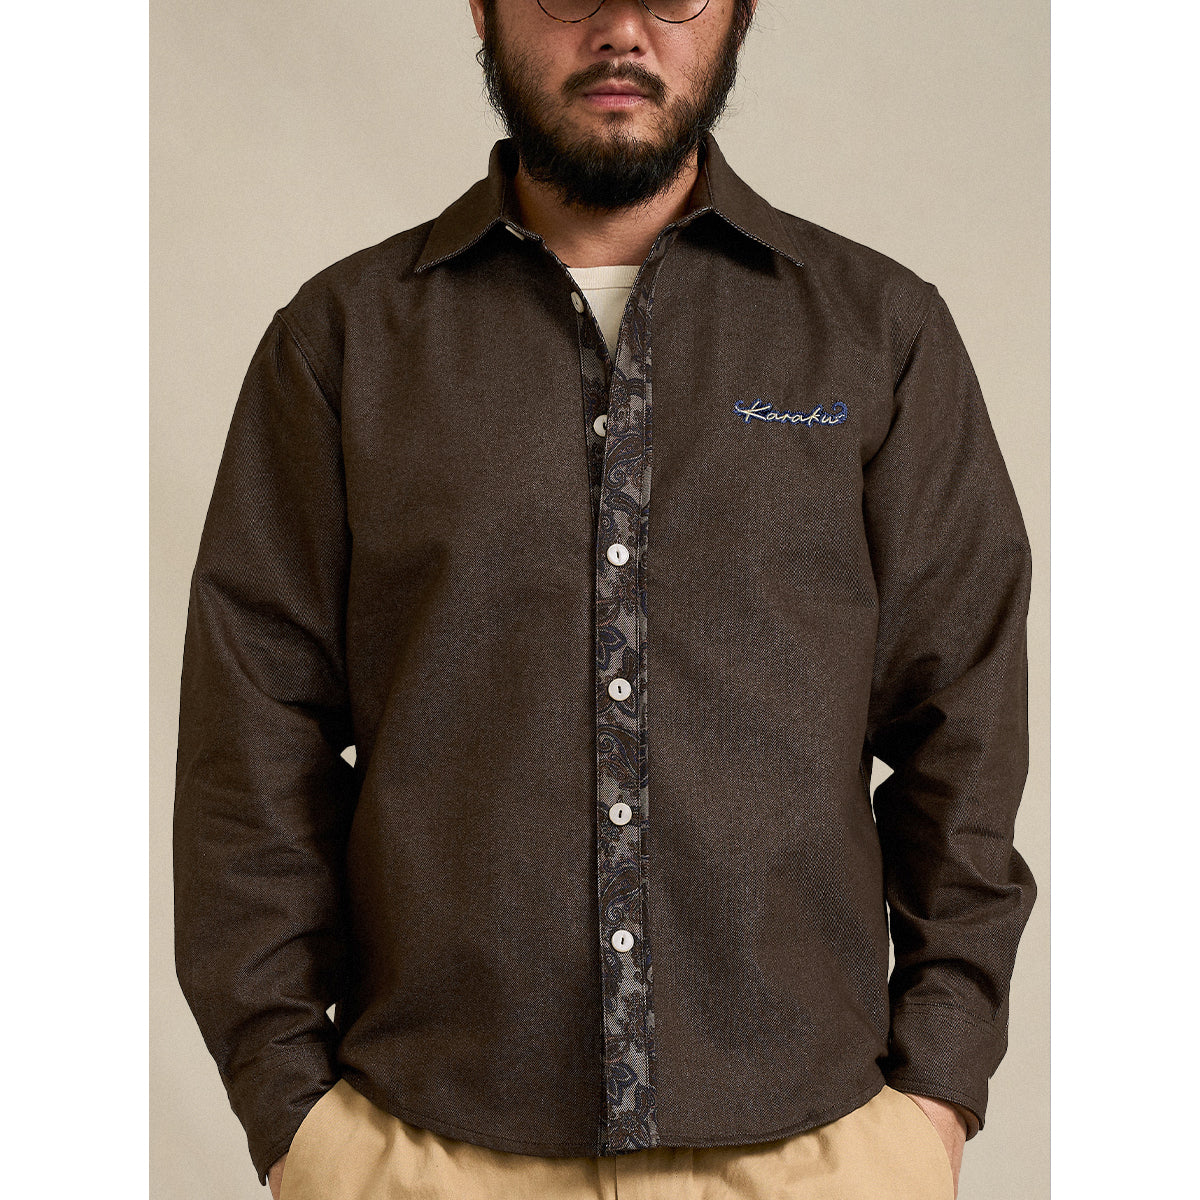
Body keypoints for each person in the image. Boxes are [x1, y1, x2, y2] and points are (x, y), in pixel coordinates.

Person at [173, 2, 1037, 1197]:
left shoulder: (878, 335)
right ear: (482, 8)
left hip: (816, 1151)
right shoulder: (342, 343)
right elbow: (252, 743)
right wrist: (292, 1114)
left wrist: (935, 1090)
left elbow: (966, 732)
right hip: (426, 1152)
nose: (623, 30)